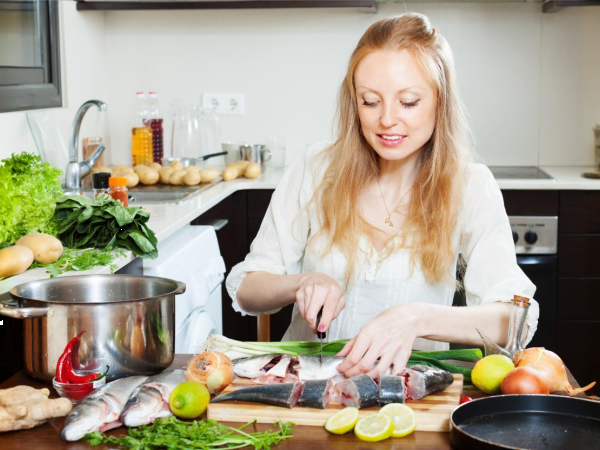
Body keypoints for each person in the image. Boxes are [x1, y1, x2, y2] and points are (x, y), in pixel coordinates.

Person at [226, 13, 539, 378]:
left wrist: (417, 317)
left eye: (408, 102)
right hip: (309, 386)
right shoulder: (316, 168)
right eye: (370, 101)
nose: (387, 120)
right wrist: (300, 283)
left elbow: (517, 318)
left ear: (440, 101)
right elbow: (247, 287)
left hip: (406, 395)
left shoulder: (469, 186)